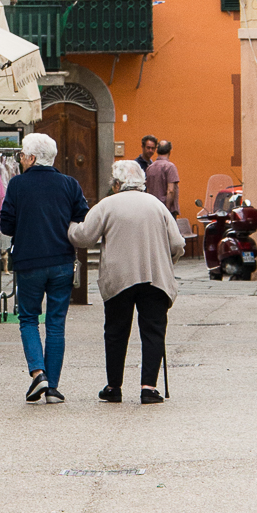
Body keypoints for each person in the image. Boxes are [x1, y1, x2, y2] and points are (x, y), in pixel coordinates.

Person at [69, 159, 184, 404]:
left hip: (120, 278)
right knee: (153, 331)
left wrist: (69, 226)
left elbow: (84, 237)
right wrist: (167, 259)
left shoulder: (107, 205)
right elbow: (177, 243)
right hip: (154, 278)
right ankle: (149, 388)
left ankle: (114, 387)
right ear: (141, 182)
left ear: (117, 183)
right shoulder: (157, 205)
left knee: (116, 331)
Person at [0, 131, 89, 404]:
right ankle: (53, 388)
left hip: (28, 262)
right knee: (56, 323)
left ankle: (39, 374)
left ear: (32, 158)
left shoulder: (17, 185)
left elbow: (6, 225)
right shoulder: (70, 184)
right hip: (62, 261)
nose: (22, 159)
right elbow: (83, 216)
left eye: (24, 155)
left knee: (28, 319)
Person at [145, 139, 180, 216]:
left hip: (153, 209)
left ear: (157, 151)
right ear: (170, 151)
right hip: (166, 210)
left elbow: (148, 189)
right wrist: (166, 209)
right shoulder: (170, 167)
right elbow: (170, 190)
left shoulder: (150, 168)